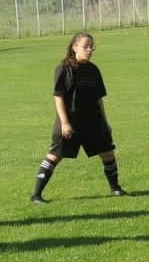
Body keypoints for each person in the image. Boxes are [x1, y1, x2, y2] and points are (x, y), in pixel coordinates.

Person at [31, 32, 125, 203]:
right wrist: (65, 123)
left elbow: (99, 99)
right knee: (54, 156)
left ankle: (115, 188)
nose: (89, 50)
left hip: (93, 121)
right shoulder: (64, 68)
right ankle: (36, 195)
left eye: (92, 47)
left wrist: (105, 122)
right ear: (74, 47)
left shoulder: (93, 70)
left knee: (108, 153)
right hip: (70, 121)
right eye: (85, 46)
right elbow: (58, 96)